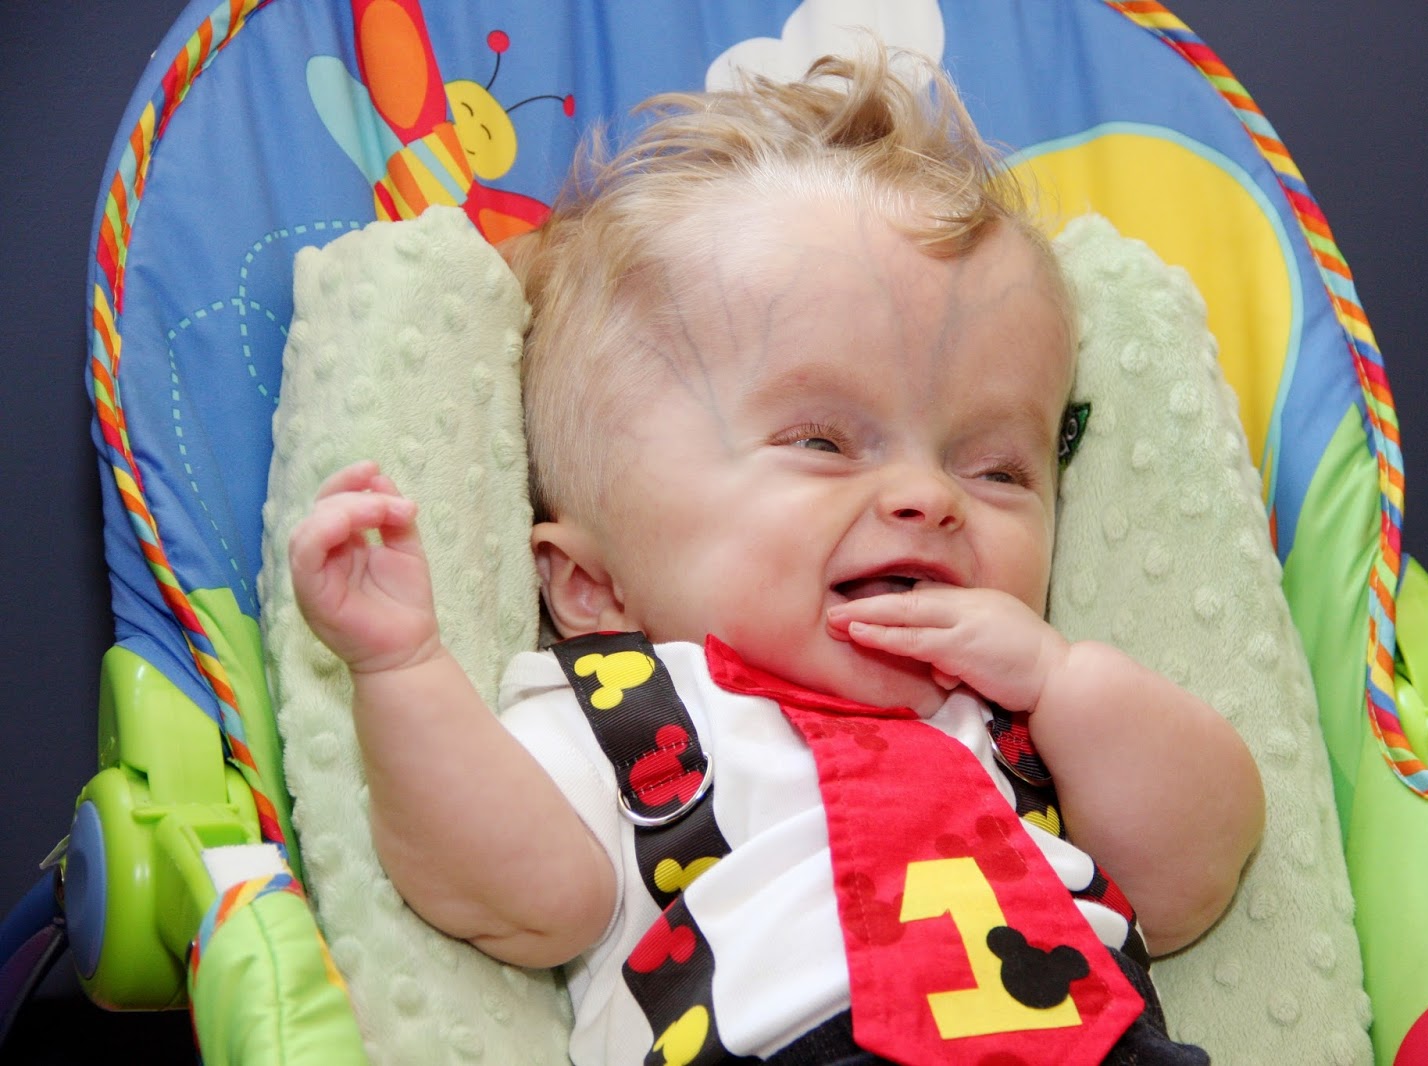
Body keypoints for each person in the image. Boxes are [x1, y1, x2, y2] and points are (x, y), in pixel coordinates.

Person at [288, 43, 1263, 1065]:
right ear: (591, 585)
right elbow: (527, 896)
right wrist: (401, 668)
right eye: (822, 444)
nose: (928, 498)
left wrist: (1064, 681)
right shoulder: (639, 714)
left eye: (997, 471)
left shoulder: (1025, 727)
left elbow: (1186, 879)